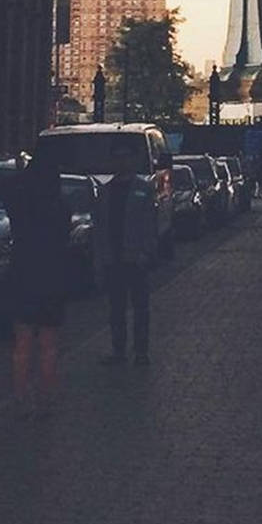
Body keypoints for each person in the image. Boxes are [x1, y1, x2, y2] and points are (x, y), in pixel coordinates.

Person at [6, 149, 71, 417]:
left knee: (22, 342)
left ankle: (21, 397)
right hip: (52, 276)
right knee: (48, 343)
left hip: (23, 274)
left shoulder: (20, 207)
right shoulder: (61, 208)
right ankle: (46, 398)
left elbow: (7, 188)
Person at [94, 139, 157, 367]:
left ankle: (141, 352)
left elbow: (150, 223)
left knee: (140, 309)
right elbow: (100, 226)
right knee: (116, 309)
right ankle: (119, 351)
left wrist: (146, 252)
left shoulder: (143, 189)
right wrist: (101, 259)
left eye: (126, 156)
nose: (122, 161)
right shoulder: (106, 191)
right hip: (113, 258)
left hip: (136, 259)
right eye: (118, 157)